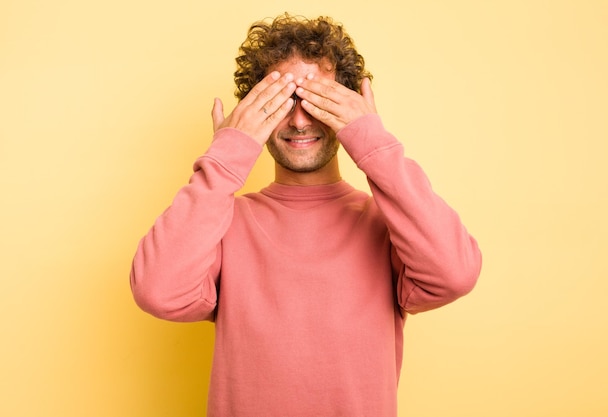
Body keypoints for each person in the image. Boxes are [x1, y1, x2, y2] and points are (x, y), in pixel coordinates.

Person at [130, 13, 482, 417]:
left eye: (318, 100)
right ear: (253, 112)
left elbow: (455, 273)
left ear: (347, 108)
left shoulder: (390, 225)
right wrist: (225, 155)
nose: (299, 120)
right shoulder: (223, 222)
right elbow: (157, 290)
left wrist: (372, 140)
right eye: (281, 102)